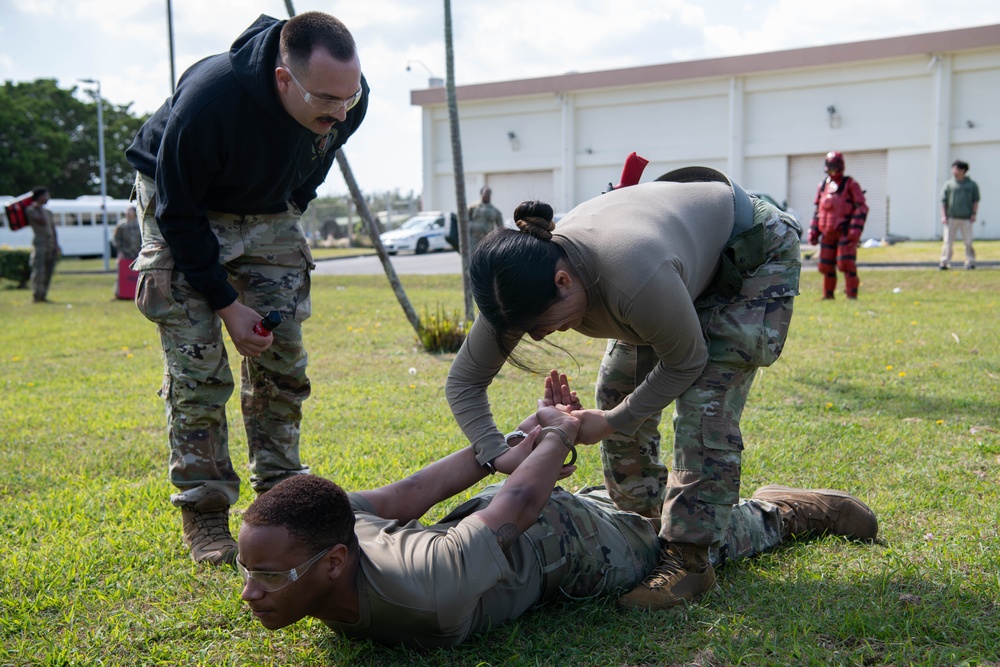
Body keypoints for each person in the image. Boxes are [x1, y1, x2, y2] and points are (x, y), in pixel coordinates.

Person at [237, 372, 878, 649]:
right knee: (620, 500)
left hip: (562, 547)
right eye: (251, 570)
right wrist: (524, 442)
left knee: (672, 539)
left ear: (334, 562)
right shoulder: (322, 527)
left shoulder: (423, 592)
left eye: (268, 575)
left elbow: (510, 504)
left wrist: (556, 435)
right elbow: (414, 497)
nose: (250, 593)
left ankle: (783, 513)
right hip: (499, 521)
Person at [445, 166, 802, 611]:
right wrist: (497, 452)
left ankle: (689, 560)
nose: (537, 338)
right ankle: (646, 525)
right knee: (616, 390)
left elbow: (687, 359)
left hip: (748, 251)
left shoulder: (631, 273)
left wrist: (614, 423)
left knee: (704, 406)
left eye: (541, 325)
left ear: (563, 280)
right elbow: (464, 381)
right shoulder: (513, 286)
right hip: (673, 266)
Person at [124, 11, 369, 566]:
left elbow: (314, 165)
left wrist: (287, 205)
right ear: (285, 78)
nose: (341, 111)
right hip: (180, 204)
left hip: (266, 209)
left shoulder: (348, 98)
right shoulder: (210, 102)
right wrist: (229, 305)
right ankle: (205, 512)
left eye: (349, 98)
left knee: (282, 361)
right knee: (199, 371)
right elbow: (178, 213)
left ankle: (281, 497)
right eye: (327, 99)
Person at [807, 151, 869, 299]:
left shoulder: (850, 184)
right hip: (827, 232)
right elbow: (818, 210)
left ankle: (851, 294)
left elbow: (862, 208)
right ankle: (828, 295)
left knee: (845, 263)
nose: (832, 169)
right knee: (825, 265)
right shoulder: (823, 185)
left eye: (835, 165)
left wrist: (854, 230)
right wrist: (814, 230)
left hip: (844, 231)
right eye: (830, 165)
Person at [939, 160, 980, 271]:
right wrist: (943, 216)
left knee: (968, 242)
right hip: (951, 218)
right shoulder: (949, 184)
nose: (954, 171)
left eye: (956, 169)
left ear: (963, 170)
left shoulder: (971, 185)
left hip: (966, 218)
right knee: (948, 241)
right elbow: (943, 201)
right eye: (953, 168)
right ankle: (944, 262)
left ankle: (970, 262)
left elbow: (975, 201)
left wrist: (974, 214)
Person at [25, 186, 59, 303]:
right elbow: (42, 221)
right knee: (39, 270)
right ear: (39, 197)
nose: (47, 198)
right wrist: (38, 207)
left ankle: (43, 295)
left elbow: (53, 229)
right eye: (45, 195)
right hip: (40, 243)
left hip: (50, 244)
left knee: (49, 270)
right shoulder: (31, 210)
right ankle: (36, 295)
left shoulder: (48, 212)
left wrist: (56, 245)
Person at [111, 206, 141, 300]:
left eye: (130, 211)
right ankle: (119, 294)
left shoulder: (139, 224)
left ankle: (137, 293)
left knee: (138, 275)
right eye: (127, 211)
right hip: (125, 253)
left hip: (137, 253)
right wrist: (120, 251)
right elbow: (116, 239)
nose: (128, 213)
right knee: (121, 274)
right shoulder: (121, 225)